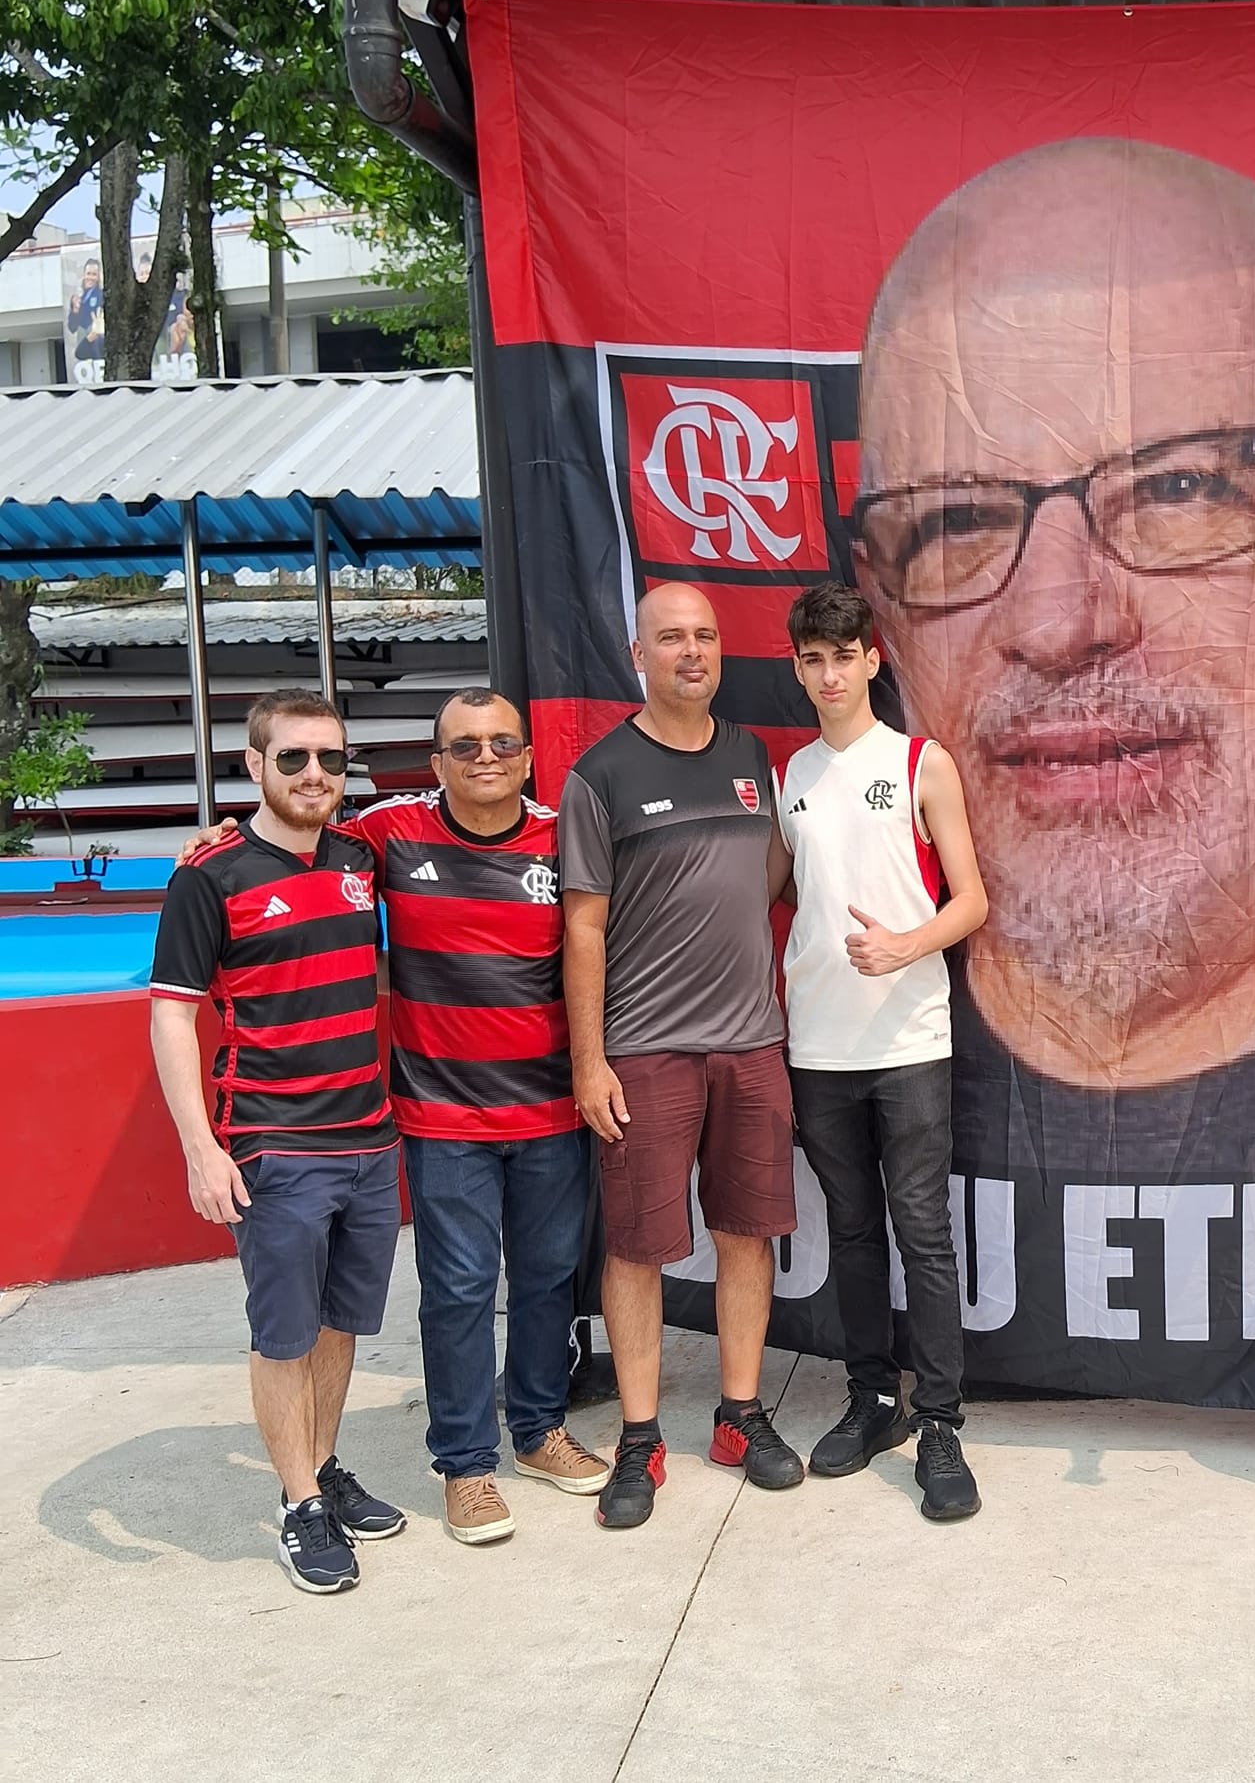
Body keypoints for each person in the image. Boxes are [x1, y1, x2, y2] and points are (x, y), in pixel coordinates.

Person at [852, 137, 1255, 1180]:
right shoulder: (873, 1064)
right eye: (956, 520)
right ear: (887, 617)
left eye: (1183, 491)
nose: (1060, 623)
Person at [181, 691, 612, 1544]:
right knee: (456, 1290)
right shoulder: (388, 833)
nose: (484, 757)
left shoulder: (559, 831)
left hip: (548, 1108)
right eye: (463, 745)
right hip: (441, 1113)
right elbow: (293, 841)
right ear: (437, 761)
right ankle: (463, 1462)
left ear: (527, 757)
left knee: (546, 1278)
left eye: (501, 743)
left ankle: (536, 1429)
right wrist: (220, 837)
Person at [149, 690, 404, 1594]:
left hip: (370, 1139)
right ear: (253, 765)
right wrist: (199, 1147)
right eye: (292, 758)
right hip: (275, 1144)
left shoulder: (358, 856)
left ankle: (324, 1464)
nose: (314, 775)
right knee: (284, 1333)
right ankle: (298, 1503)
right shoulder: (209, 875)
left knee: (341, 1324)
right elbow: (173, 1016)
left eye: (331, 759)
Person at [559, 581, 803, 1526]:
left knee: (748, 1233)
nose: (692, 651)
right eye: (673, 637)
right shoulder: (602, 773)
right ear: (639, 655)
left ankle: (739, 1415)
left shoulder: (749, 754)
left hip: (752, 1045)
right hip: (646, 1052)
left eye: (705, 635)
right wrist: (591, 1061)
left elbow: (773, 868)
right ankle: (639, 1437)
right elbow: (583, 929)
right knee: (638, 1249)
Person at [774, 582, 991, 1521]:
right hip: (817, 1041)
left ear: (873, 660)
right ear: (798, 667)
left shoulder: (920, 764)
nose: (829, 674)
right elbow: (774, 889)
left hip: (908, 1038)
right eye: (811, 659)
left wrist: (907, 943)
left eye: (843, 656)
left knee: (923, 1230)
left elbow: (973, 900)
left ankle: (939, 1419)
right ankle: (872, 1398)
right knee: (852, 1232)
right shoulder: (791, 775)